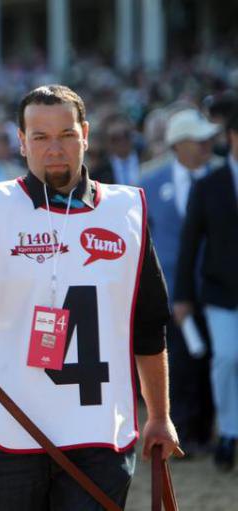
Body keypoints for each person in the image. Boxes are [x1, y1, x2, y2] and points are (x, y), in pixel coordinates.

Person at [0, 85, 180, 510]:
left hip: (99, 430)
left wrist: (159, 415)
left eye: (65, 134)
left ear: (85, 134)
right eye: (40, 137)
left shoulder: (126, 211)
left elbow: (148, 326)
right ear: (22, 142)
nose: (55, 149)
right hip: (9, 427)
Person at [141, 108, 219, 458]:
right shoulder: (149, 183)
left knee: (214, 361)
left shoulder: (222, 177)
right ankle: (185, 430)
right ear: (179, 144)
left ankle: (207, 429)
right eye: (199, 139)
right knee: (179, 364)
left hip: (219, 290)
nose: (207, 144)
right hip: (170, 291)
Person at [175, 110, 238, 472]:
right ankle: (229, 432)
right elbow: (189, 245)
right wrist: (182, 295)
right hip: (220, 293)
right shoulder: (208, 185)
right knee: (227, 359)